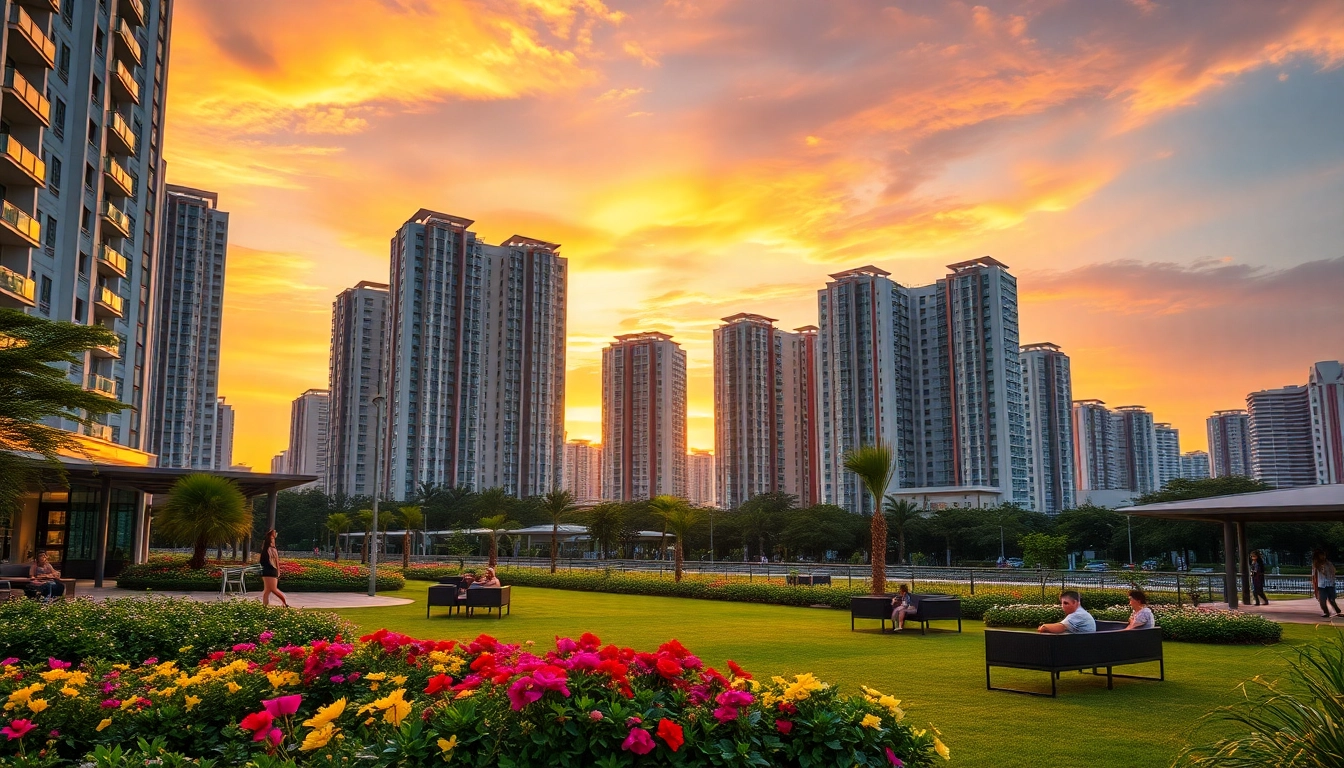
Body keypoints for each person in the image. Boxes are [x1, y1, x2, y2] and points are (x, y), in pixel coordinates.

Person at [260, 529, 289, 608]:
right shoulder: (270, 549)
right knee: (268, 590)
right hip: (269, 571)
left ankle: (285, 603)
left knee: (271, 589)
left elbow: (276, 561)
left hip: (269, 571)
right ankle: (265, 607)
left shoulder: (268, 549)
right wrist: (278, 571)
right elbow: (276, 562)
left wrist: (278, 571)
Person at [1311, 549, 1341, 618]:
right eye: (1321, 555)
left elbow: (1333, 572)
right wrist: (1314, 584)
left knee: (1331, 599)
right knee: (1322, 600)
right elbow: (1313, 575)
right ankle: (1326, 612)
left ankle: (1336, 609)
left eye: (1324, 555)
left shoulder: (1329, 564)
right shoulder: (1316, 565)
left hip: (1330, 584)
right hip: (1321, 585)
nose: (1323, 557)